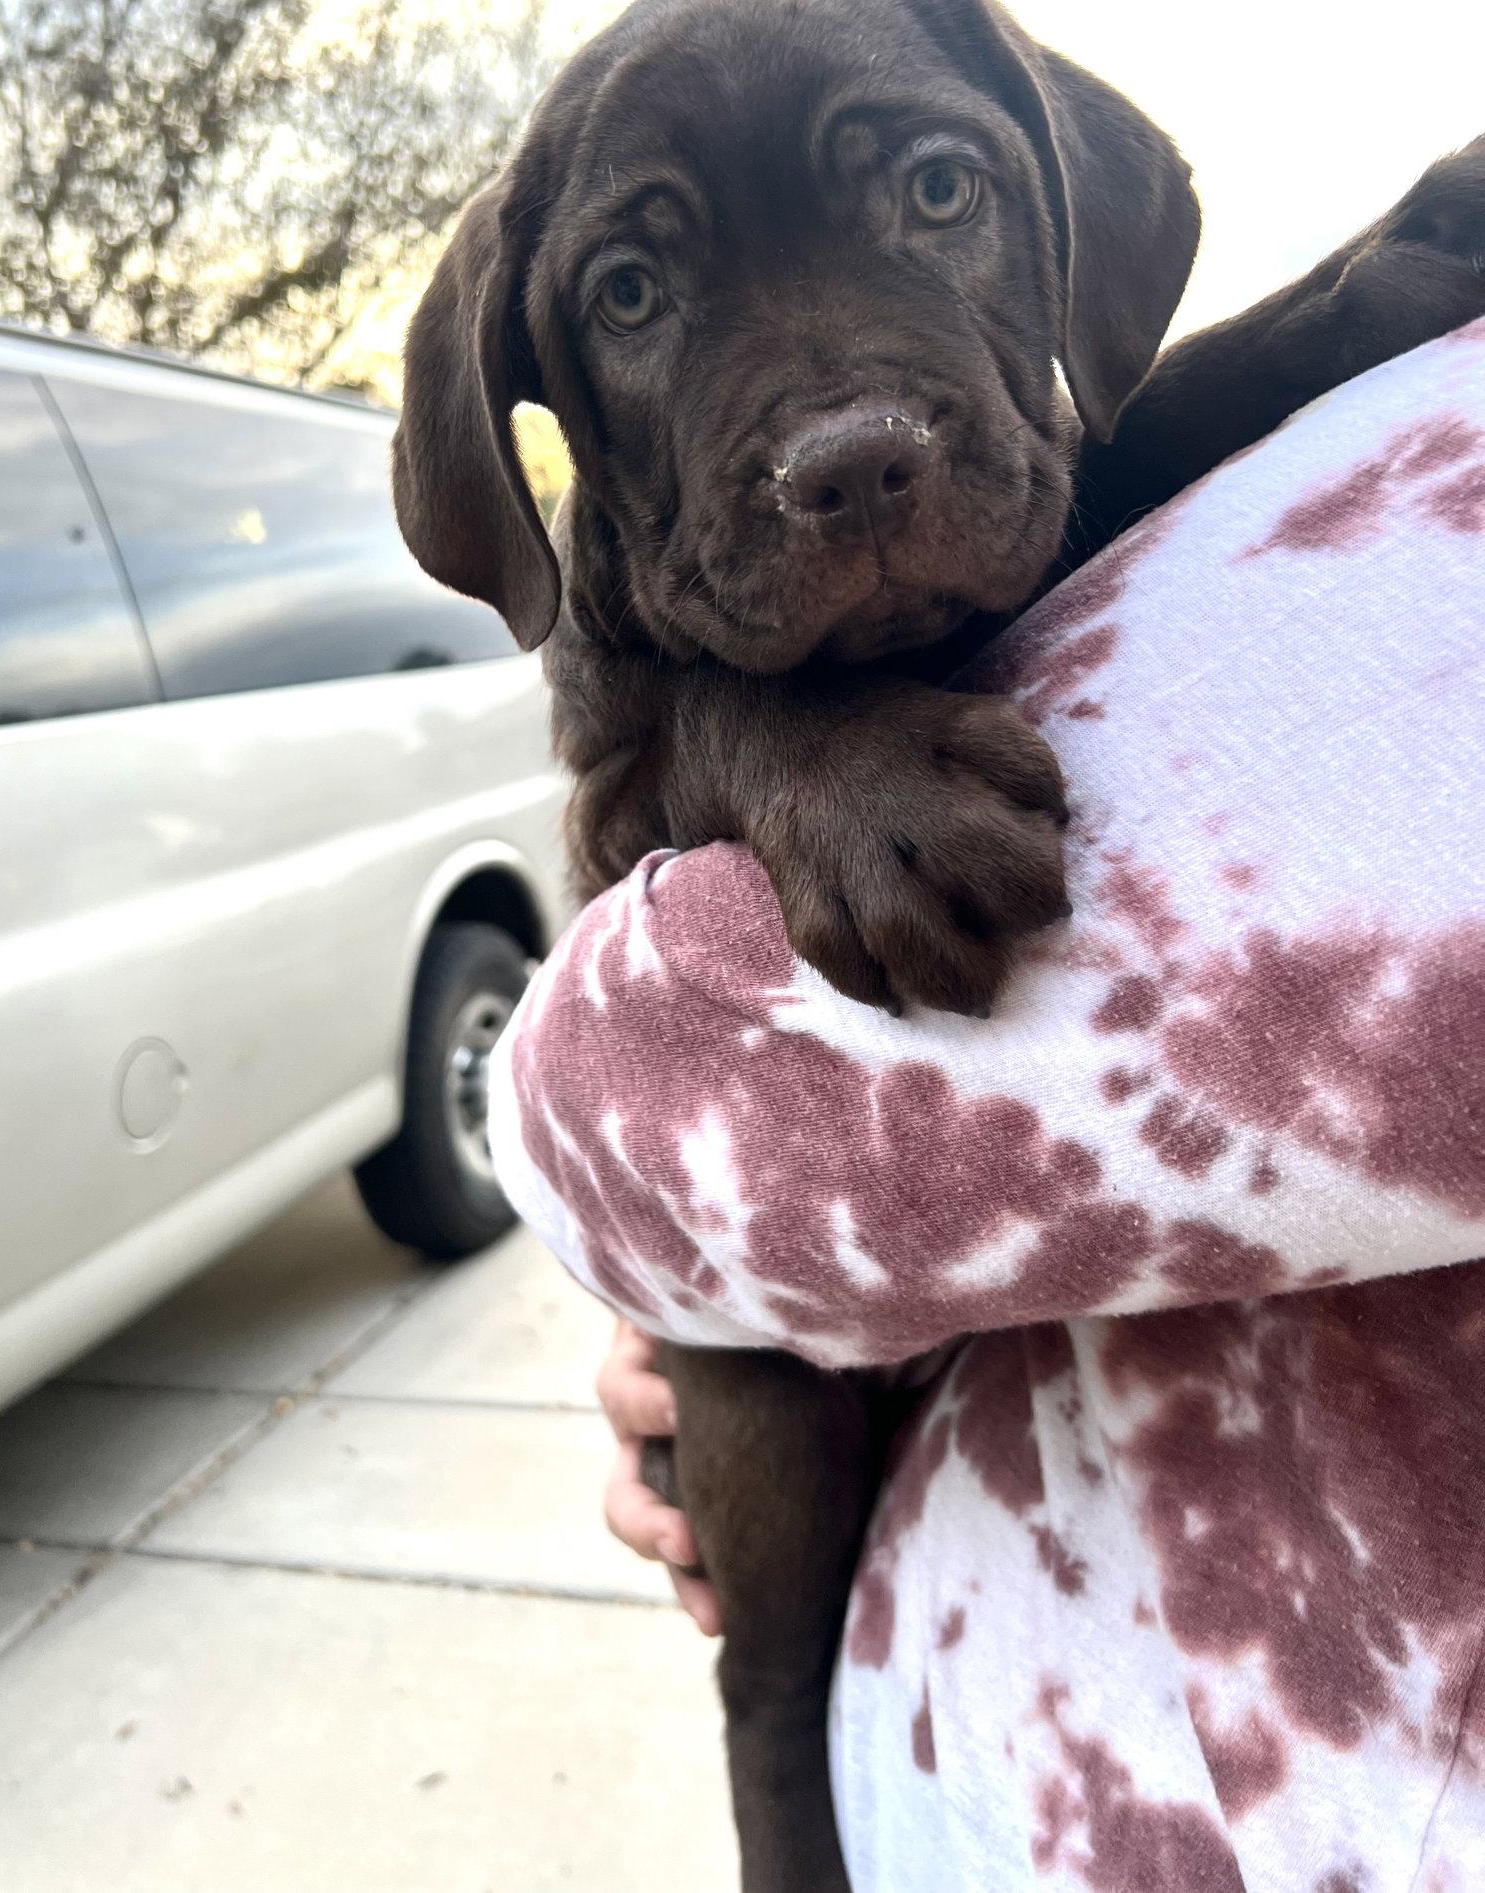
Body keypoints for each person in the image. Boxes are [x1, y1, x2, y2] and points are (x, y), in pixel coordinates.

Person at [489, 317, 1485, 1892]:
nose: (841, 421)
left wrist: (663, 1207)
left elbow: (644, 1094)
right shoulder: (643, 618)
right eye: (634, 289)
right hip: (864, 1551)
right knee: (758, 1627)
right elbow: (628, 845)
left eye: (937, 185)